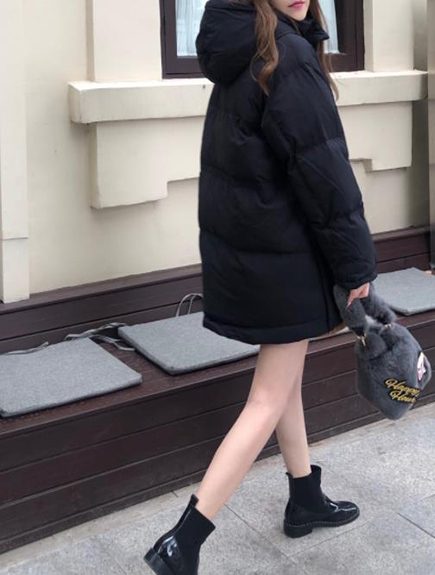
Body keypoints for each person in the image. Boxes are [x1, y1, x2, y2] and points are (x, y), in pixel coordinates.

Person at [144, 0, 377, 573]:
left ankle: (305, 497)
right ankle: (183, 542)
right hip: (286, 256)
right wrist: (356, 267)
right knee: (267, 399)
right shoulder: (286, 54)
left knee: (284, 383)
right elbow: (325, 174)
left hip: (258, 252)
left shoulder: (244, 45)